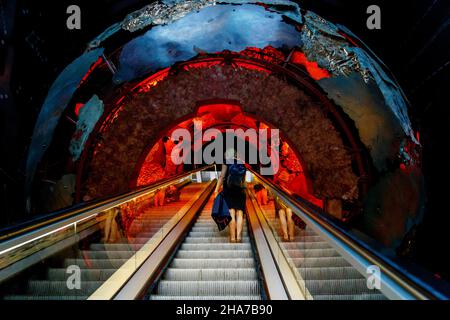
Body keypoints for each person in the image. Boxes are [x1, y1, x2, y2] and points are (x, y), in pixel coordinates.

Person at [214, 149, 247, 243]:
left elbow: (222, 177)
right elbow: (243, 180)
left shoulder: (226, 162)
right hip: (240, 191)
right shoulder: (242, 163)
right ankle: (239, 237)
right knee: (240, 214)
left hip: (228, 190)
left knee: (231, 213)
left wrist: (216, 190)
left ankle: (233, 238)